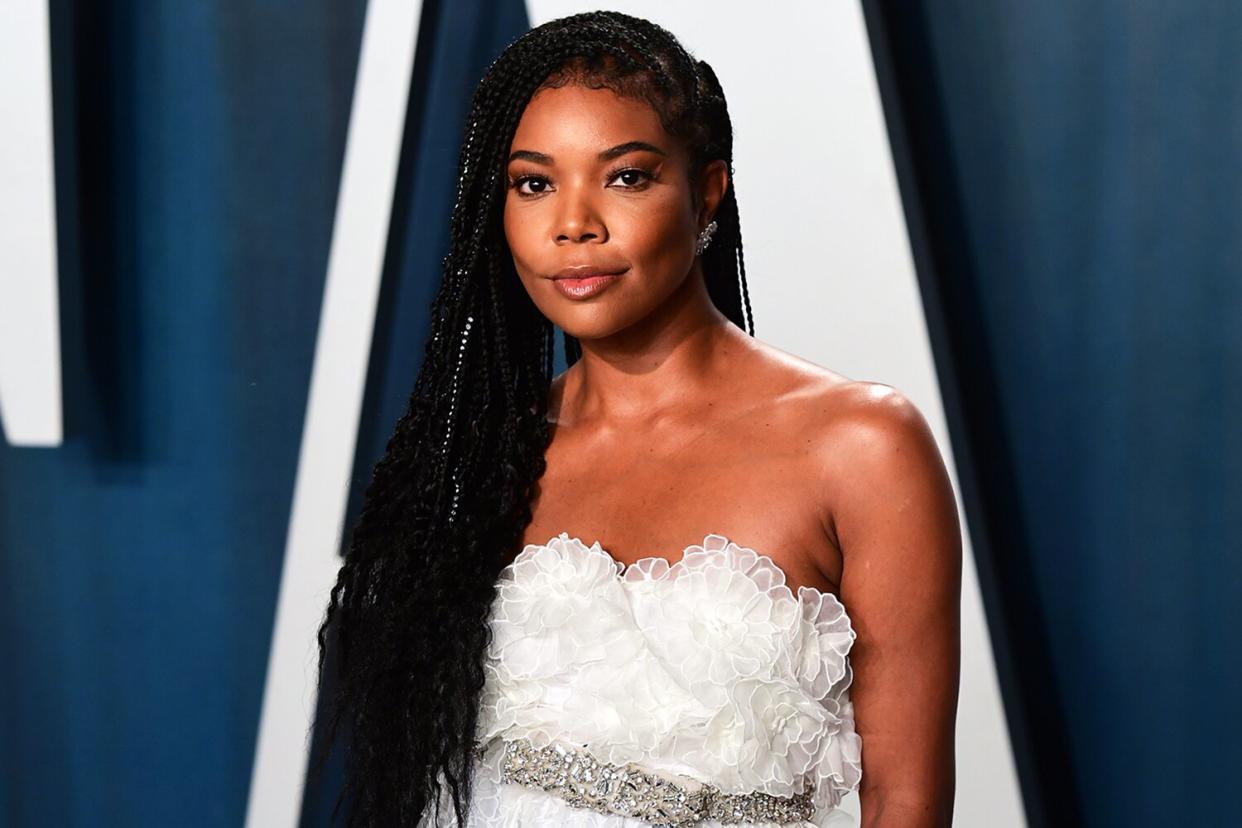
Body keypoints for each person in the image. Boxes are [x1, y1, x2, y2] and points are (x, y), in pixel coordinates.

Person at [313, 10, 961, 827]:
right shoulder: (486, 452)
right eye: (534, 183)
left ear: (708, 192)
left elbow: (905, 801)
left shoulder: (862, 448)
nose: (573, 223)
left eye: (625, 176)